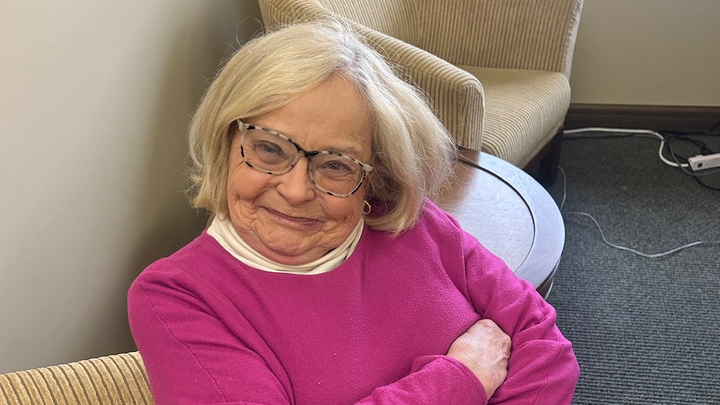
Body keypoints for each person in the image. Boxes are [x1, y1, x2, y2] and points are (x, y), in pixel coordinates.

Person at [128, 20, 579, 405]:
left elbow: (548, 352)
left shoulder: (412, 222)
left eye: (336, 165)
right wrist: (463, 379)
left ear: (372, 175)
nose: (296, 190)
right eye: (269, 148)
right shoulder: (177, 297)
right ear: (224, 141)